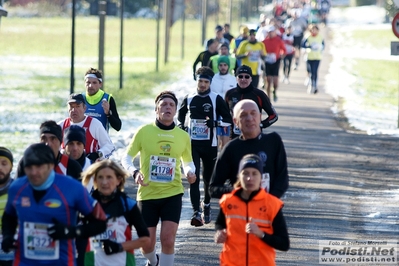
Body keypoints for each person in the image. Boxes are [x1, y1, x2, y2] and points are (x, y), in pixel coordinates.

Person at [121, 91, 196, 266]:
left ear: (176, 110)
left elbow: (188, 162)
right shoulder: (144, 131)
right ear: (156, 110)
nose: (167, 107)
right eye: (163, 105)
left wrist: (190, 172)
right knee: (146, 243)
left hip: (173, 193)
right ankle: (153, 262)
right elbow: (126, 158)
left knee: (168, 239)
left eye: (171, 105)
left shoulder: (183, 136)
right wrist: (135, 172)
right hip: (147, 193)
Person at [1, 143, 107, 266]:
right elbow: (9, 216)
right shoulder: (17, 187)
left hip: (61, 262)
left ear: (51, 166)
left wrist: (71, 231)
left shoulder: (73, 188)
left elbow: (101, 223)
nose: (34, 172)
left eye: (39, 166)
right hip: (24, 262)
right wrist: (8, 236)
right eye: (29, 167)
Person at [177, 67, 232, 227]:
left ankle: (206, 204)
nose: (202, 85)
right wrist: (182, 126)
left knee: (208, 179)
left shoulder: (216, 99)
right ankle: (196, 212)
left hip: (210, 144)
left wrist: (215, 123)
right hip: (192, 144)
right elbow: (180, 117)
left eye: (206, 82)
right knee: (193, 176)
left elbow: (228, 119)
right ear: (197, 80)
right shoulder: (189, 98)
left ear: (210, 83)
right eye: (200, 81)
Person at [214, 154, 289, 266]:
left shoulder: (272, 204)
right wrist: (219, 233)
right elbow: (220, 224)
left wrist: (261, 234)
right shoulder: (228, 201)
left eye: (254, 173)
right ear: (239, 176)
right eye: (245, 173)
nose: (250, 178)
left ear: (261, 177)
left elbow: (284, 244)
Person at [209, 99, 288, 199]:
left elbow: (282, 180)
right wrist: (241, 192)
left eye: (253, 113)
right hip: (240, 210)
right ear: (235, 121)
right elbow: (213, 188)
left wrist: (268, 200)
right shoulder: (231, 148)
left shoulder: (273, 141)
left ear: (260, 117)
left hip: (267, 207)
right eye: (243, 115)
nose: (249, 118)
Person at [82, 160, 150, 266]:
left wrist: (119, 246)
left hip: (122, 262)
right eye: (100, 177)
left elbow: (145, 240)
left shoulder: (128, 205)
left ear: (118, 180)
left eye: (109, 177)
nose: (104, 182)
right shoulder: (87, 204)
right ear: (95, 181)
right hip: (93, 261)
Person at [224, 65, 278, 139]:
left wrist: (260, 125)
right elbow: (224, 115)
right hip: (234, 138)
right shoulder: (229, 94)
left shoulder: (259, 94)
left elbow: (274, 116)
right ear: (236, 78)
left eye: (247, 77)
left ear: (251, 79)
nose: (243, 79)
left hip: (254, 137)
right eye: (240, 76)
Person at [58, 93, 115, 162]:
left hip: (89, 167)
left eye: (77, 106)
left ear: (84, 108)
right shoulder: (61, 125)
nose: (74, 110)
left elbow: (110, 146)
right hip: (67, 167)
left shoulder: (94, 124)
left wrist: (98, 154)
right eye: (71, 107)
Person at [17, 120, 82, 180]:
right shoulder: (26, 163)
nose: (48, 144)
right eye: (44, 138)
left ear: (60, 142)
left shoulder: (72, 167)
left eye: (53, 139)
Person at [83, 68, 122, 132]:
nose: (90, 85)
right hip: (83, 141)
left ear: (100, 84)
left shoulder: (108, 99)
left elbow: (118, 127)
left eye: (94, 83)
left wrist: (108, 113)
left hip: (101, 141)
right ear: (84, 83)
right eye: (88, 82)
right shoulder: (80, 98)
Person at [210, 56, 237, 148]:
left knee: (225, 142)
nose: (223, 67)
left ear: (228, 66)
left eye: (225, 65)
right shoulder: (213, 79)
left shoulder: (233, 79)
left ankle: (223, 159)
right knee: (216, 141)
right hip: (215, 111)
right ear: (218, 66)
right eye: (221, 65)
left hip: (227, 112)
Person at [262, 25, 286, 102]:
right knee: (268, 80)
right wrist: (263, 56)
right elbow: (261, 51)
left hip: (276, 61)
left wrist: (281, 56)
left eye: (272, 32)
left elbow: (284, 50)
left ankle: (274, 91)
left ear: (275, 32)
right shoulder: (264, 41)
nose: (270, 34)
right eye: (269, 32)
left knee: (275, 81)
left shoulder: (279, 40)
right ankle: (268, 98)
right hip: (267, 62)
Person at [0, 147, 14, 266]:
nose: (0, 168)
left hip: (13, 254)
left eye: (4, 164)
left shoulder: (20, 191)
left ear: (11, 167)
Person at [302, 24, 324, 94]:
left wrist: (320, 47)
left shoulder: (320, 37)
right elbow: (303, 45)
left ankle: (314, 85)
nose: (314, 31)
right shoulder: (308, 36)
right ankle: (311, 85)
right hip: (310, 57)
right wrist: (309, 47)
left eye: (315, 30)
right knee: (311, 71)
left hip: (317, 57)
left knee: (315, 71)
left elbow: (323, 45)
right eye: (312, 30)